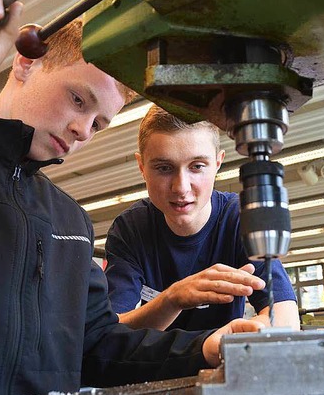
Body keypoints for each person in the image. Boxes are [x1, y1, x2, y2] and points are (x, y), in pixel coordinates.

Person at [0, 0, 263, 395]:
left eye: (98, 123)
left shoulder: (69, 222)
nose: (82, 130)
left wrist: (204, 345)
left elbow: (97, 347)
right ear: (26, 61)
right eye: (78, 100)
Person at [105, 105, 301, 331]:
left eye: (197, 167)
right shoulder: (130, 229)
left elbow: (285, 319)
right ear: (142, 167)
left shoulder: (239, 218)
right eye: (164, 168)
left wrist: (228, 340)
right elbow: (113, 331)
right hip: (154, 365)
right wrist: (171, 300)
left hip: (223, 358)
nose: (181, 187)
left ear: (217, 163)